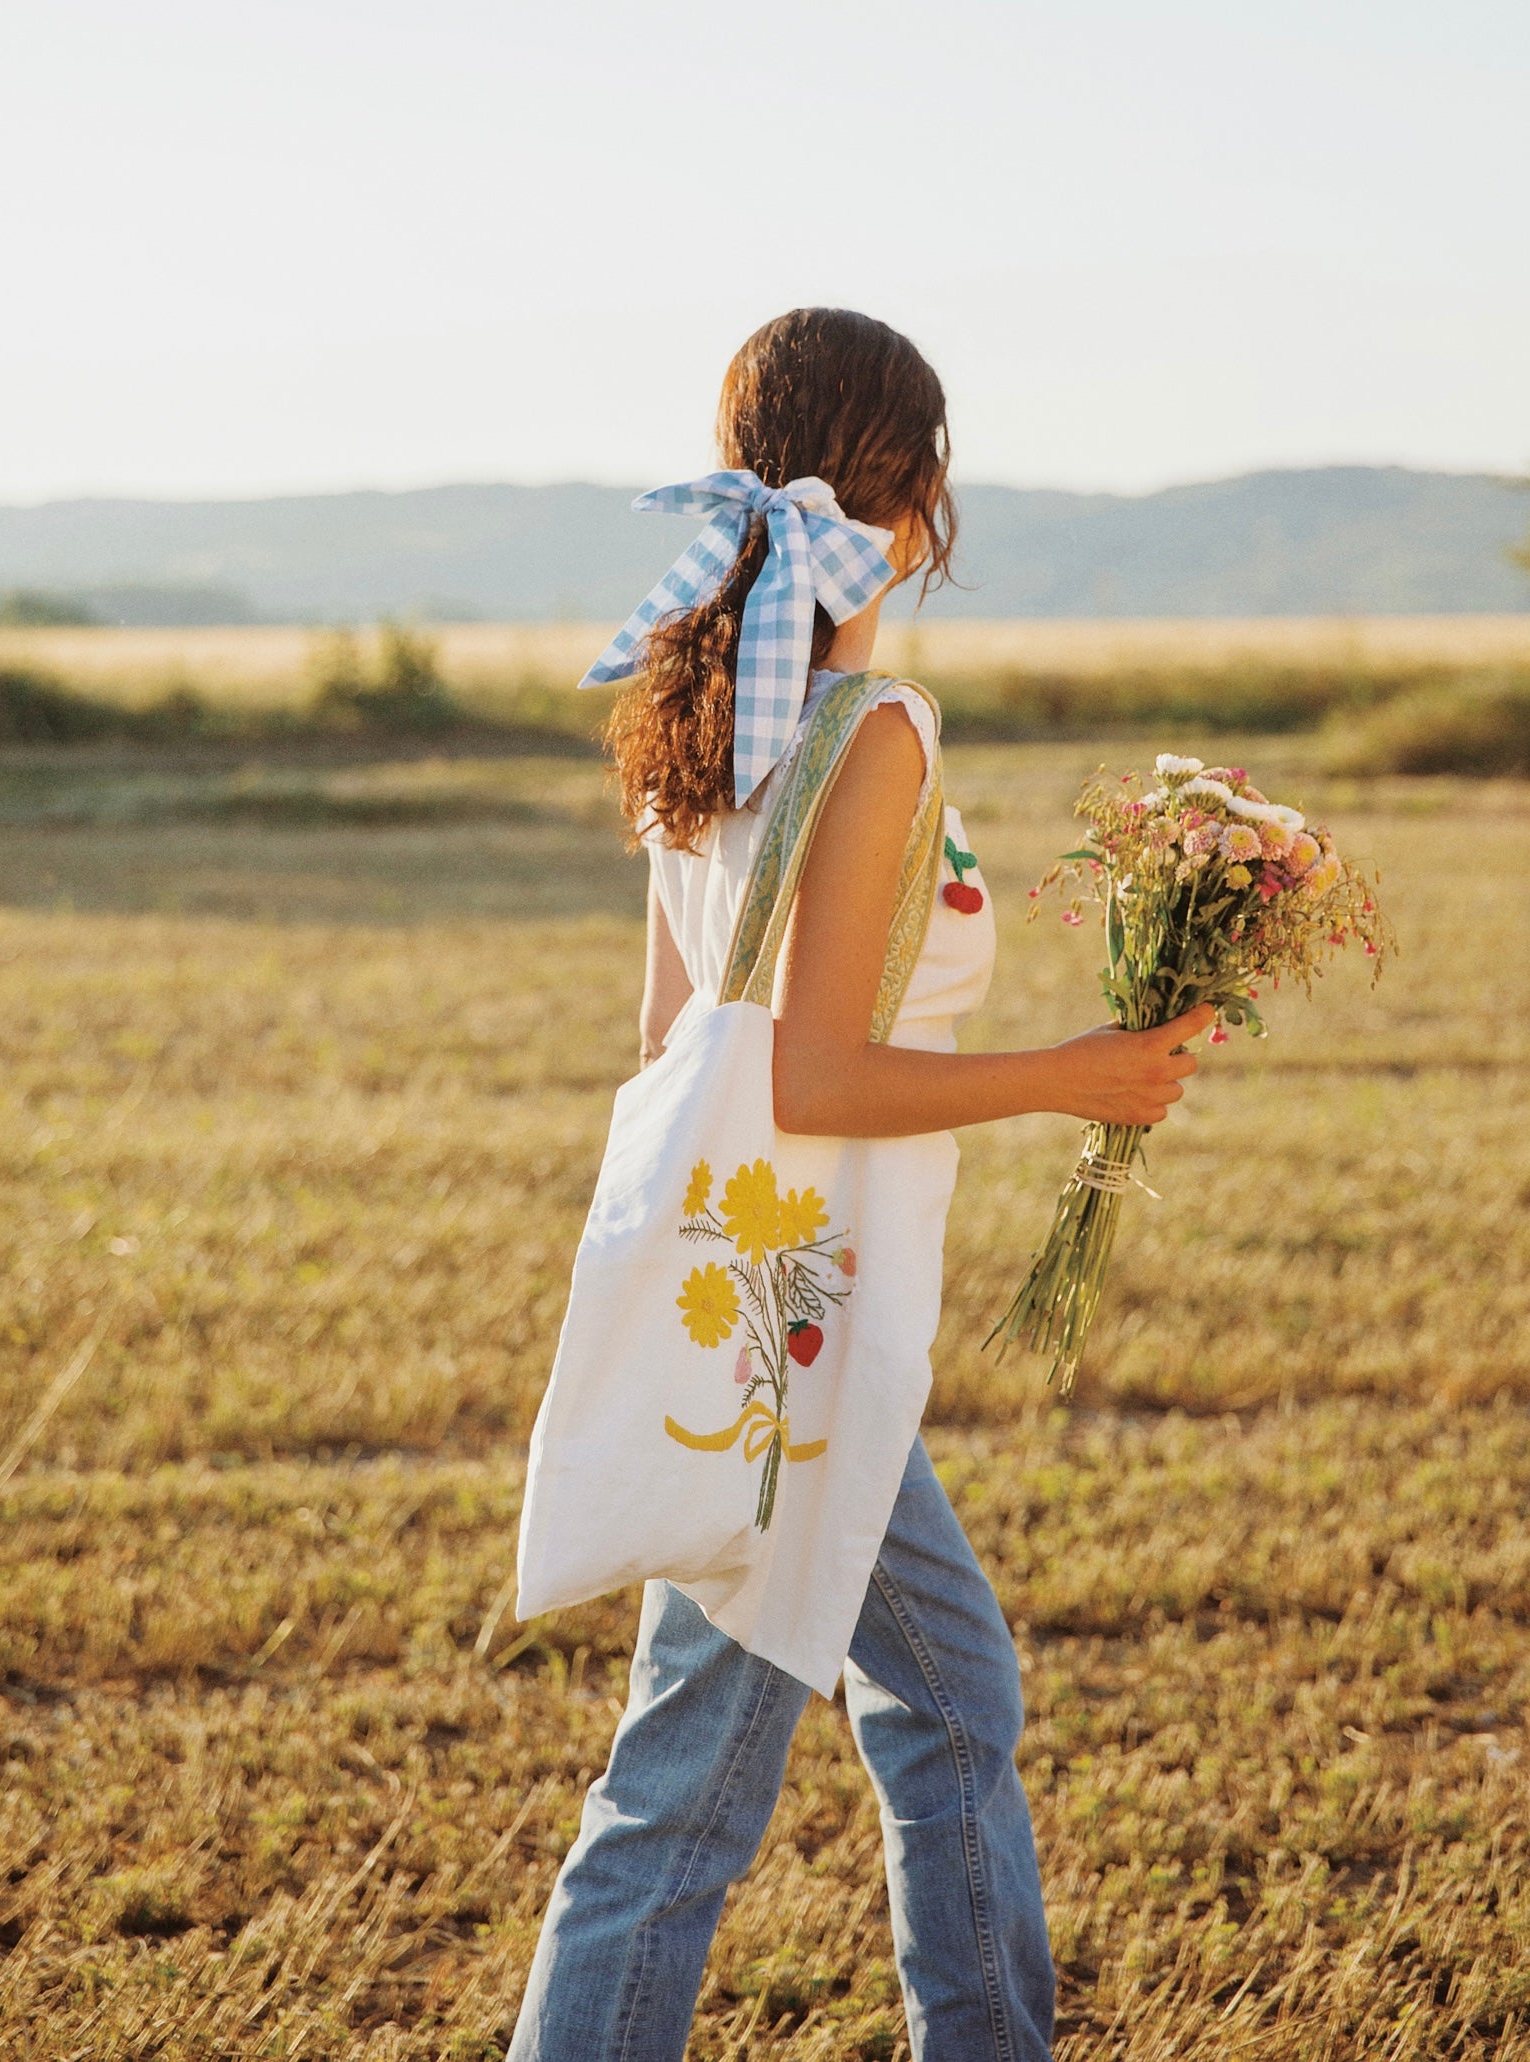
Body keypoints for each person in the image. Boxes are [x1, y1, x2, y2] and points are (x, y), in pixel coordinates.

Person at [510, 308, 1212, 2061]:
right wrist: (1077, 1078)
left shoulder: (695, 712)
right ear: (908, 489)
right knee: (681, 1801)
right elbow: (805, 1074)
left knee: (951, 1701)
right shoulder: (870, 724)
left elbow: (673, 1041)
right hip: (793, 1333)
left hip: (761, 1298)